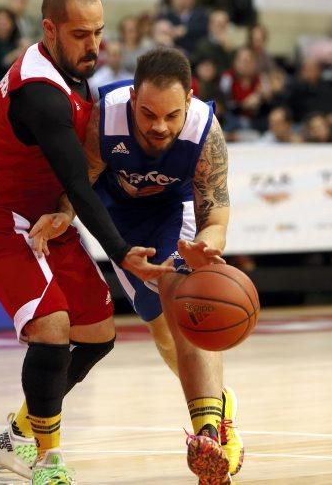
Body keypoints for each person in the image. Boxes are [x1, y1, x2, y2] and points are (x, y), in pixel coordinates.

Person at [0, 0, 173, 485]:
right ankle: (48, 460)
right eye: (80, 34)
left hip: (42, 217)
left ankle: (16, 432)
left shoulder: (78, 78)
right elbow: (79, 182)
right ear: (50, 30)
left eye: (99, 32)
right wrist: (122, 253)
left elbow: (76, 179)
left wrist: (64, 211)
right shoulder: (40, 91)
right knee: (52, 327)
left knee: (97, 336)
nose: (93, 46)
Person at [30, 46, 244, 484]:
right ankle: (220, 402)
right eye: (147, 114)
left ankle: (210, 434)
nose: (159, 126)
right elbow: (80, 181)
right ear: (132, 100)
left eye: (171, 115)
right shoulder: (104, 118)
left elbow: (216, 214)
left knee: (187, 305)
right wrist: (64, 214)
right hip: (119, 221)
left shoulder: (206, 131)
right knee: (163, 332)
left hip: (174, 210)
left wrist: (206, 246)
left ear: (189, 100)